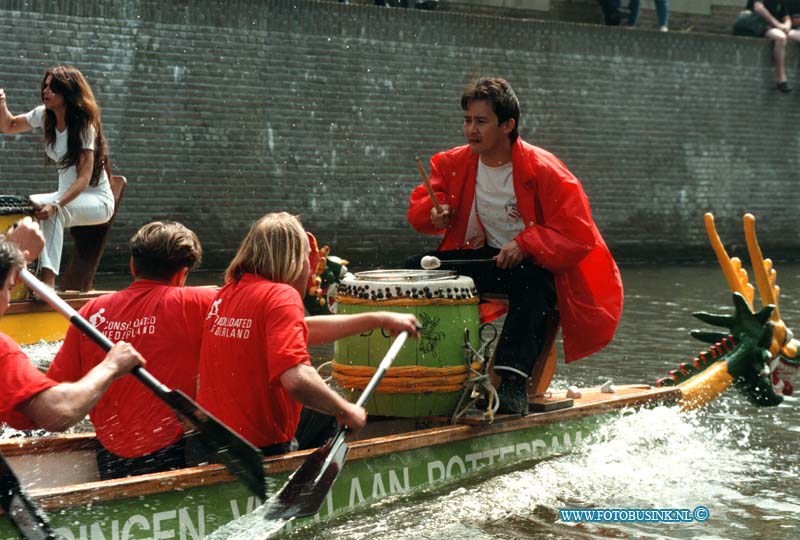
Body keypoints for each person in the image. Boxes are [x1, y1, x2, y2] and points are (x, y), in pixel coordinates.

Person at [407, 77, 623, 415]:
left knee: (534, 283)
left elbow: (579, 235)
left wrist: (525, 243)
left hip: (537, 264)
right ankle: (419, 374)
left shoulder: (546, 169)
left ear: (507, 125)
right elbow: (422, 208)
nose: (471, 130)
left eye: (481, 122)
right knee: (410, 273)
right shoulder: (452, 163)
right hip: (482, 259)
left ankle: (512, 383)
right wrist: (434, 214)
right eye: (467, 120)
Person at [196, 212, 419, 455]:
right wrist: (345, 410)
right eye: (306, 256)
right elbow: (296, 379)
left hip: (214, 442)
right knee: (328, 410)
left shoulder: (227, 293)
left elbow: (299, 330)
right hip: (260, 447)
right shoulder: (281, 295)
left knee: (319, 408)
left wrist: (379, 318)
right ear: (293, 260)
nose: (309, 267)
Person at [46, 221, 216, 479]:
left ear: (133, 266)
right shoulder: (200, 302)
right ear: (182, 273)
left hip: (110, 455)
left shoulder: (90, 313)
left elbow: (55, 386)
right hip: (174, 453)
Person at [0, 218, 144, 432]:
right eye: (10, 289)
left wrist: (10, 253)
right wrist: (111, 366)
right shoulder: (3, 352)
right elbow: (59, 413)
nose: (10, 303)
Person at [0, 65, 114, 288]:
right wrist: (1, 104)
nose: (46, 91)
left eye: (54, 88)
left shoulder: (83, 125)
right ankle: (14, 277)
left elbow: (83, 179)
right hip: (66, 195)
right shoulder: (45, 115)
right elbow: (9, 125)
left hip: (97, 200)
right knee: (26, 206)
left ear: (68, 92)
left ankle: (47, 283)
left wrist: (55, 204)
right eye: (45, 86)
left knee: (52, 213)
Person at [749, 1, 800, 92]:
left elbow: (787, 18)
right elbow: (758, 8)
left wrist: (786, 26)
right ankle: (781, 79)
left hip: (777, 27)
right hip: (759, 25)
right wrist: (779, 25)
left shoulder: (781, 2)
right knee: (781, 37)